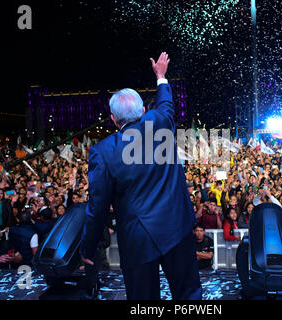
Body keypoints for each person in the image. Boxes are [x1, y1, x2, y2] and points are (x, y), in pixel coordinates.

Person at [79, 52, 202, 300]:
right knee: (188, 295)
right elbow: (166, 102)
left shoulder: (102, 152)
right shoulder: (161, 122)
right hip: (177, 228)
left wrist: (88, 247)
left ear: (113, 120)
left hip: (137, 238)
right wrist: (161, 76)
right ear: (144, 110)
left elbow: (98, 207)